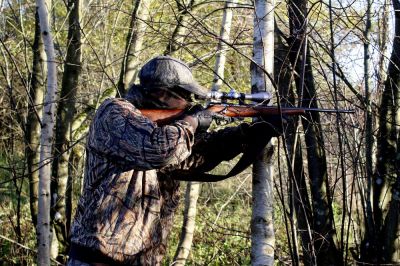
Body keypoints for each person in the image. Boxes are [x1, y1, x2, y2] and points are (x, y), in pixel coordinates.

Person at [67, 56, 282, 265]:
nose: (190, 103)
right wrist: (192, 122)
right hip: (97, 258)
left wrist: (247, 135)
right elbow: (159, 149)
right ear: (161, 93)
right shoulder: (114, 113)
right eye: (185, 96)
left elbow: (194, 159)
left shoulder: (161, 130)